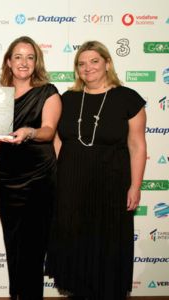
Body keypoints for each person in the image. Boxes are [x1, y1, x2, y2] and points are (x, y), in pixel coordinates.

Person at [46, 40, 147, 300]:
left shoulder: (128, 98)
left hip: (112, 185)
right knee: (75, 244)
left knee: (108, 244)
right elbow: (57, 140)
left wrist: (135, 186)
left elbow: (137, 145)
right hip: (72, 185)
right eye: (81, 63)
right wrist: (60, 175)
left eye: (94, 61)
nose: (87, 68)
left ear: (107, 63)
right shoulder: (67, 99)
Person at [0, 36, 62, 300]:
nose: (24, 62)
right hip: (6, 179)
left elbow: (48, 131)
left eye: (30, 57)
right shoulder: (0, 95)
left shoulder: (48, 92)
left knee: (33, 248)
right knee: (13, 245)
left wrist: (30, 132)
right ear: (9, 62)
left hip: (38, 178)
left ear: (36, 62)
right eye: (18, 57)